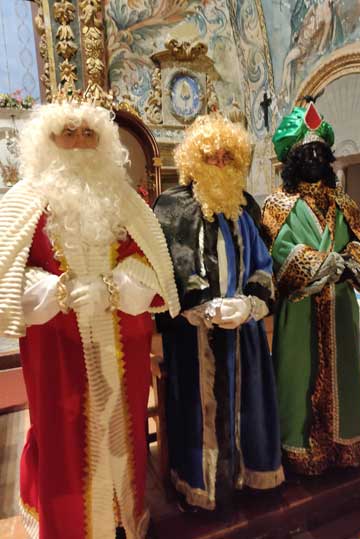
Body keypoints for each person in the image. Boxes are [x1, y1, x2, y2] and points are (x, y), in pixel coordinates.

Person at [0, 87, 179, 539]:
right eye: (68, 132)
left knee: (123, 428)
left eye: (88, 133)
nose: (79, 142)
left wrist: (114, 288)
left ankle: (121, 518)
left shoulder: (126, 200)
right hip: (55, 348)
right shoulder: (22, 201)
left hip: (122, 343)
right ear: (47, 139)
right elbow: (8, 275)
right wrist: (56, 292)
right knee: (61, 434)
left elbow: (152, 263)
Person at [153, 114, 284, 512]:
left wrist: (249, 304)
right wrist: (200, 307)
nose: (220, 164)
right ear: (194, 160)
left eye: (228, 157)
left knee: (248, 406)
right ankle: (201, 487)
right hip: (195, 338)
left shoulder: (245, 209)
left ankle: (247, 476)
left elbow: (263, 265)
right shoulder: (171, 208)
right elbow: (165, 270)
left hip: (244, 332)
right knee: (196, 413)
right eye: (211, 156)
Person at [262, 102, 360, 475]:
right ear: (292, 159)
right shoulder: (277, 206)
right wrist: (318, 263)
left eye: (320, 151)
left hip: (340, 305)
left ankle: (344, 446)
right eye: (307, 152)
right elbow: (276, 253)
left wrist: (351, 263)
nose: (315, 158)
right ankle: (300, 450)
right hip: (300, 308)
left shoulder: (344, 203)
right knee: (297, 375)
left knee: (343, 374)